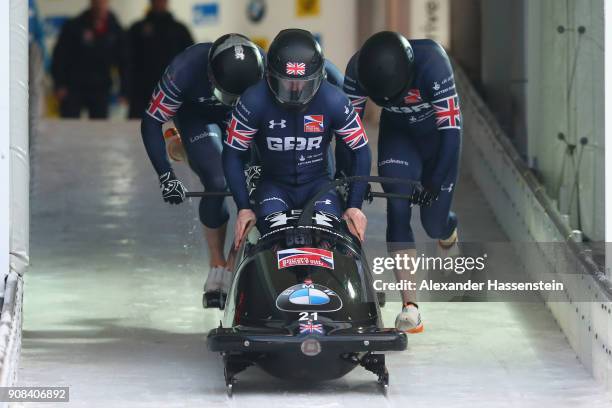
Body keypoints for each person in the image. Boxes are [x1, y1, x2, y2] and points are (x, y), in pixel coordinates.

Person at [339, 31, 462, 333]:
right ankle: (410, 307)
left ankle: (448, 228)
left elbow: (451, 132)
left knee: (433, 224)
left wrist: (435, 180)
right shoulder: (356, 71)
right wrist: (352, 177)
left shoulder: (433, 62)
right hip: (398, 135)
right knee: (397, 204)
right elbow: (348, 134)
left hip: (436, 139)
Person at [141, 34, 265, 307]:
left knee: (258, 183)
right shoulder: (183, 70)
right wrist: (166, 176)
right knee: (217, 180)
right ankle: (217, 263)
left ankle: (234, 262)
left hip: (245, 115)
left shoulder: (263, 68)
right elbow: (151, 121)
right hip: (196, 116)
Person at [222, 29, 371, 249]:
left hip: (318, 185)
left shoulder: (334, 100)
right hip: (274, 186)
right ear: (270, 76)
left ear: (318, 78)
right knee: (271, 241)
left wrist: (354, 205)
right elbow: (232, 153)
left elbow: (361, 149)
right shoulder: (253, 101)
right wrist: (243, 207)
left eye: (304, 83)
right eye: (286, 82)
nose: (295, 90)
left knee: (330, 240)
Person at [51, 0, 128, 119]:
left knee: (99, 129)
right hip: (74, 86)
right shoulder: (75, 25)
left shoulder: (115, 29)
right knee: (69, 125)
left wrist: (124, 90)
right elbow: (60, 57)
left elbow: (124, 62)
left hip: (100, 87)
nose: (99, 4)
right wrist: (59, 84)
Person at [127, 0, 194, 119]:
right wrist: (125, 89)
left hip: (171, 92)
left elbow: (191, 62)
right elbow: (127, 62)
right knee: (136, 129)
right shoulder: (136, 29)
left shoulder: (179, 30)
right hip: (141, 93)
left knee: (171, 132)